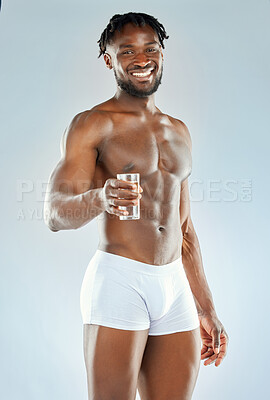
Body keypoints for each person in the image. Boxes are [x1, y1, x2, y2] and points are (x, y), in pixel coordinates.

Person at [44, 11, 229, 400]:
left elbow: (186, 230)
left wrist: (206, 307)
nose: (141, 59)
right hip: (119, 280)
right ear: (110, 60)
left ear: (162, 53)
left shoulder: (178, 130)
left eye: (150, 48)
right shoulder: (93, 124)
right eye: (127, 51)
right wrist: (100, 197)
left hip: (174, 285)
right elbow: (54, 213)